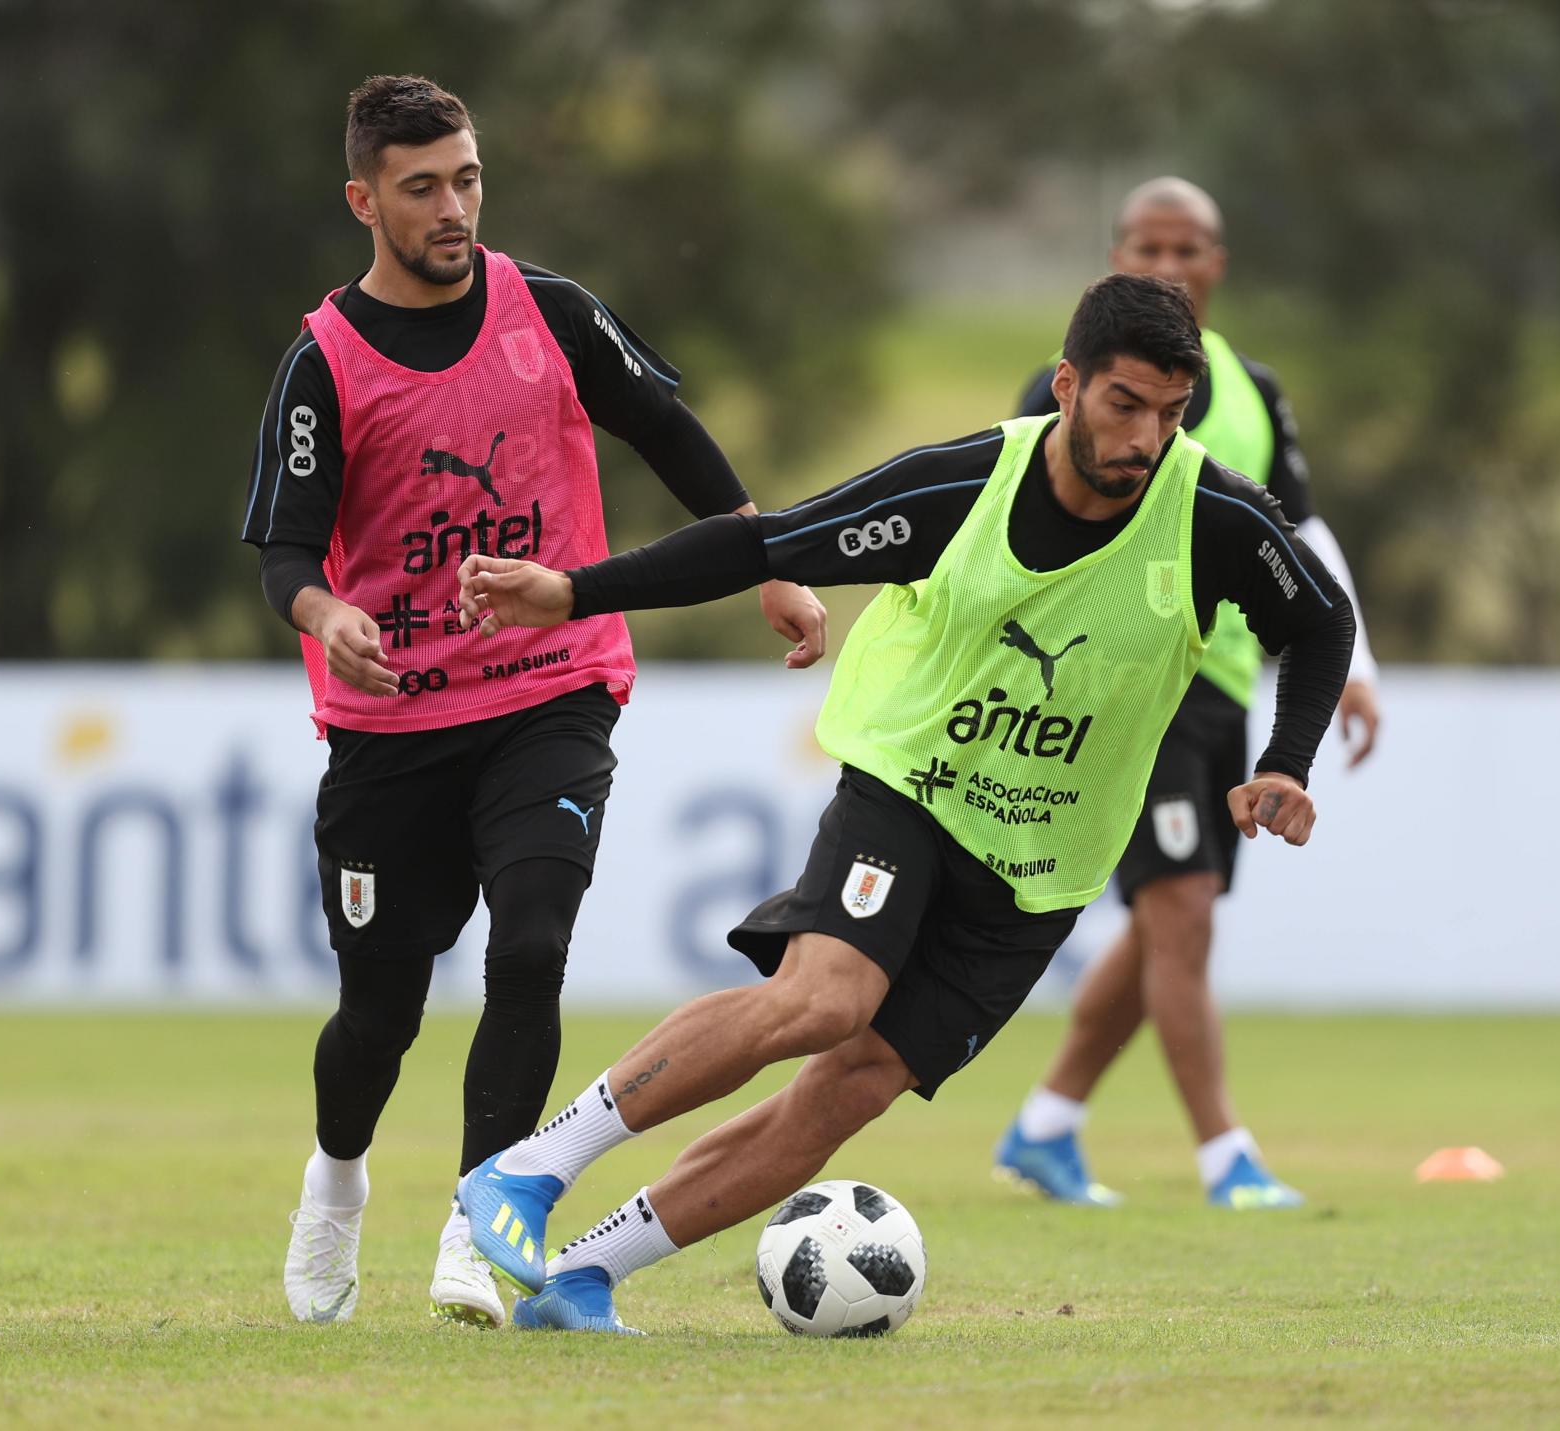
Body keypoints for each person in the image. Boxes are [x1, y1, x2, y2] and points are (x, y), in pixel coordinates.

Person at [450, 272, 1355, 1334]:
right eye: (1123, 405)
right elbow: (770, 540)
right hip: (911, 787)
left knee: (851, 1087)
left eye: (1169, 412)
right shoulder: (961, 485)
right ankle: (525, 1172)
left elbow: (1318, 620)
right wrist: (574, 591)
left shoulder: (1209, 513)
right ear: (1066, 385)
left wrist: (1287, 760)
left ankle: (579, 1278)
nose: (1145, 439)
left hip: (1043, 861)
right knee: (821, 1000)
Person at [241, 74, 825, 1327]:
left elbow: (666, 432)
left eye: (466, 179)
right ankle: (336, 1181)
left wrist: (763, 564)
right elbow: (287, 551)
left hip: (549, 693)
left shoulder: (547, 312)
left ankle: (477, 1217)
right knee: (378, 1014)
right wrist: (327, 614)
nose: (453, 207)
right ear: (364, 201)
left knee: (534, 946)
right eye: (421, 188)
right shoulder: (322, 362)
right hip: (392, 724)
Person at [995, 178, 1379, 1211]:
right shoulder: (1060, 387)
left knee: (1179, 911)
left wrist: (1359, 668)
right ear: (1113, 258)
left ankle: (1045, 1123)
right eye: (1147, 248)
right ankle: (1225, 1157)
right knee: (1179, 913)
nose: (1168, 267)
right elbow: (997, 525)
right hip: (1120, 691)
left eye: (1188, 248)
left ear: (1218, 263)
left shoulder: (1251, 389)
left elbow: (1301, 538)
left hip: (1220, 687)